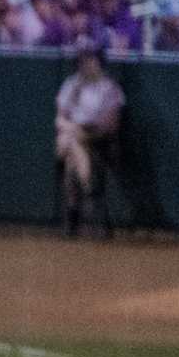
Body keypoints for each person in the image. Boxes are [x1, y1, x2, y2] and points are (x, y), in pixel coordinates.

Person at [54, 46, 123, 234]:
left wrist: (80, 131)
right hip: (74, 133)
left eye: (91, 61)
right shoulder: (71, 84)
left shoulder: (109, 87)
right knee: (71, 145)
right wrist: (74, 128)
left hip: (97, 138)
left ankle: (73, 215)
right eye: (83, 62)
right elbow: (60, 118)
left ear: (100, 63)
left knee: (68, 148)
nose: (86, 66)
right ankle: (89, 189)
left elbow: (110, 125)